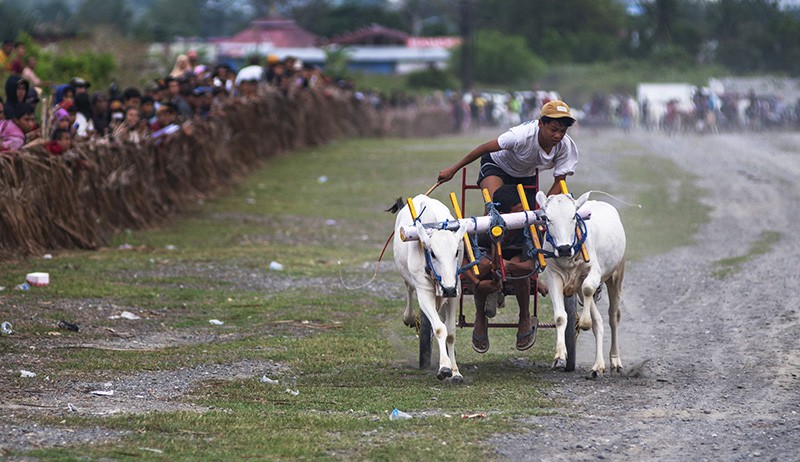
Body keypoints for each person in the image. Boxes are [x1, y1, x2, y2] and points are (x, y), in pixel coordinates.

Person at [463, 184, 548, 353]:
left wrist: (508, 265)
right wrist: (478, 284)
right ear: (502, 215)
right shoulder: (479, 228)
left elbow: (531, 266)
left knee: (518, 265)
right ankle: (480, 316)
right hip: (488, 260)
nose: (523, 216)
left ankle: (524, 317)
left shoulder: (531, 225)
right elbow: (464, 263)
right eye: (518, 213)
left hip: (516, 263)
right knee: (483, 265)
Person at [437, 99, 578, 200]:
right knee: (497, 207)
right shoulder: (520, 136)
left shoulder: (565, 146)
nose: (558, 135)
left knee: (525, 218)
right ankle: (485, 237)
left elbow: (560, 181)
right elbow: (484, 148)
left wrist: (546, 208)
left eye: (562, 131)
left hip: (526, 175)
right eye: (553, 130)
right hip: (497, 166)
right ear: (541, 124)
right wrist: (453, 170)